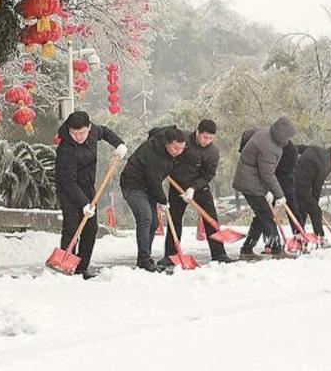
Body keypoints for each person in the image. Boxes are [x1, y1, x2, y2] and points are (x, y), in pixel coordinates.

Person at [54, 111, 127, 279]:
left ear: (89, 128)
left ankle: (81, 267)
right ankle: (65, 266)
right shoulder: (65, 149)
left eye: (82, 133)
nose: (78, 137)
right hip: (68, 189)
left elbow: (106, 132)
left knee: (91, 228)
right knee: (72, 226)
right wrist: (83, 203)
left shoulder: (94, 132)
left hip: (87, 186)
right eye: (74, 133)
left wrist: (119, 144)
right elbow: (68, 182)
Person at [157, 119, 233, 266]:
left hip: (199, 187)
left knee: (211, 218)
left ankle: (219, 253)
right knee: (175, 219)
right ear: (197, 132)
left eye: (211, 138)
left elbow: (208, 174)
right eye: (205, 137)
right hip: (177, 186)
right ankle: (170, 255)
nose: (207, 141)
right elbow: (166, 146)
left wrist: (193, 188)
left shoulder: (213, 152)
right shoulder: (182, 139)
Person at [120, 126, 187, 272]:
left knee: (154, 222)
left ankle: (144, 259)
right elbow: (154, 181)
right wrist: (163, 200)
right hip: (133, 185)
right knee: (145, 217)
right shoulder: (154, 155)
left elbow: (156, 130)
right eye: (176, 148)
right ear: (167, 143)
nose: (179, 152)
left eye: (182, 148)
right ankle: (144, 260)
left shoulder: (168, 138)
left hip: (148, 187)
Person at [233, 116, 297, 260]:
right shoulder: (269, 146)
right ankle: (276, 249)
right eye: (287, 136)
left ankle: (247, 250)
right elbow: (267, 173)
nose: (287, 140)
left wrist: (268, 190)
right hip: (249, 182)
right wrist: (279, 195)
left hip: (253, 180)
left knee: (261, 217)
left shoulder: (268, 134)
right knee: (267, 216)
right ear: (281, 133)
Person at [293, 144, 331, 242]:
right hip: (301, 185)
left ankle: (299, 236)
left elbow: (296, 149)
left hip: (291, 180)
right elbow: (317, 186)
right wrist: (314, 202)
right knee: (316, 211)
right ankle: (320, 237)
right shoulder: (327, 164)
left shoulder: (315, 147)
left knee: (302, 210)